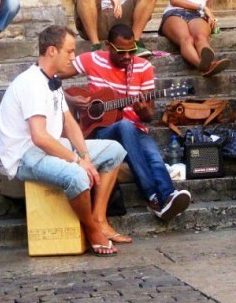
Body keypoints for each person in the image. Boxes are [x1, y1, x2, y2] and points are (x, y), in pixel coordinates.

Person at [0, 25, 128, 255]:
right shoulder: (31, 83)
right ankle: (91, 230)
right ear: (51, 51)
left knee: (114, 150)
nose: (73, 57)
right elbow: (39, 137)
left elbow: (70, 123)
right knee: (77, 175)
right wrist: (78, 162)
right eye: (69, 51)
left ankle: (98, 218)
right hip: (25, 156)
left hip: (49, 147)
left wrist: (85, 155)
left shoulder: (52, 80)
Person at [60, 23, 192, 222]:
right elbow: (50, 75)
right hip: (98, 131)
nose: (128, 57)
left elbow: (149, 116)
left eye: (132, 51)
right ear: (108, 46)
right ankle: (152, 196)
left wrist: (143, 110)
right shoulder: (91, 59)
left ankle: (168, 196)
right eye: (121, 52)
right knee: (124, 126)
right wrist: (69, 100)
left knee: (153, 155)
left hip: (134, 128)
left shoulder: (143, 67)